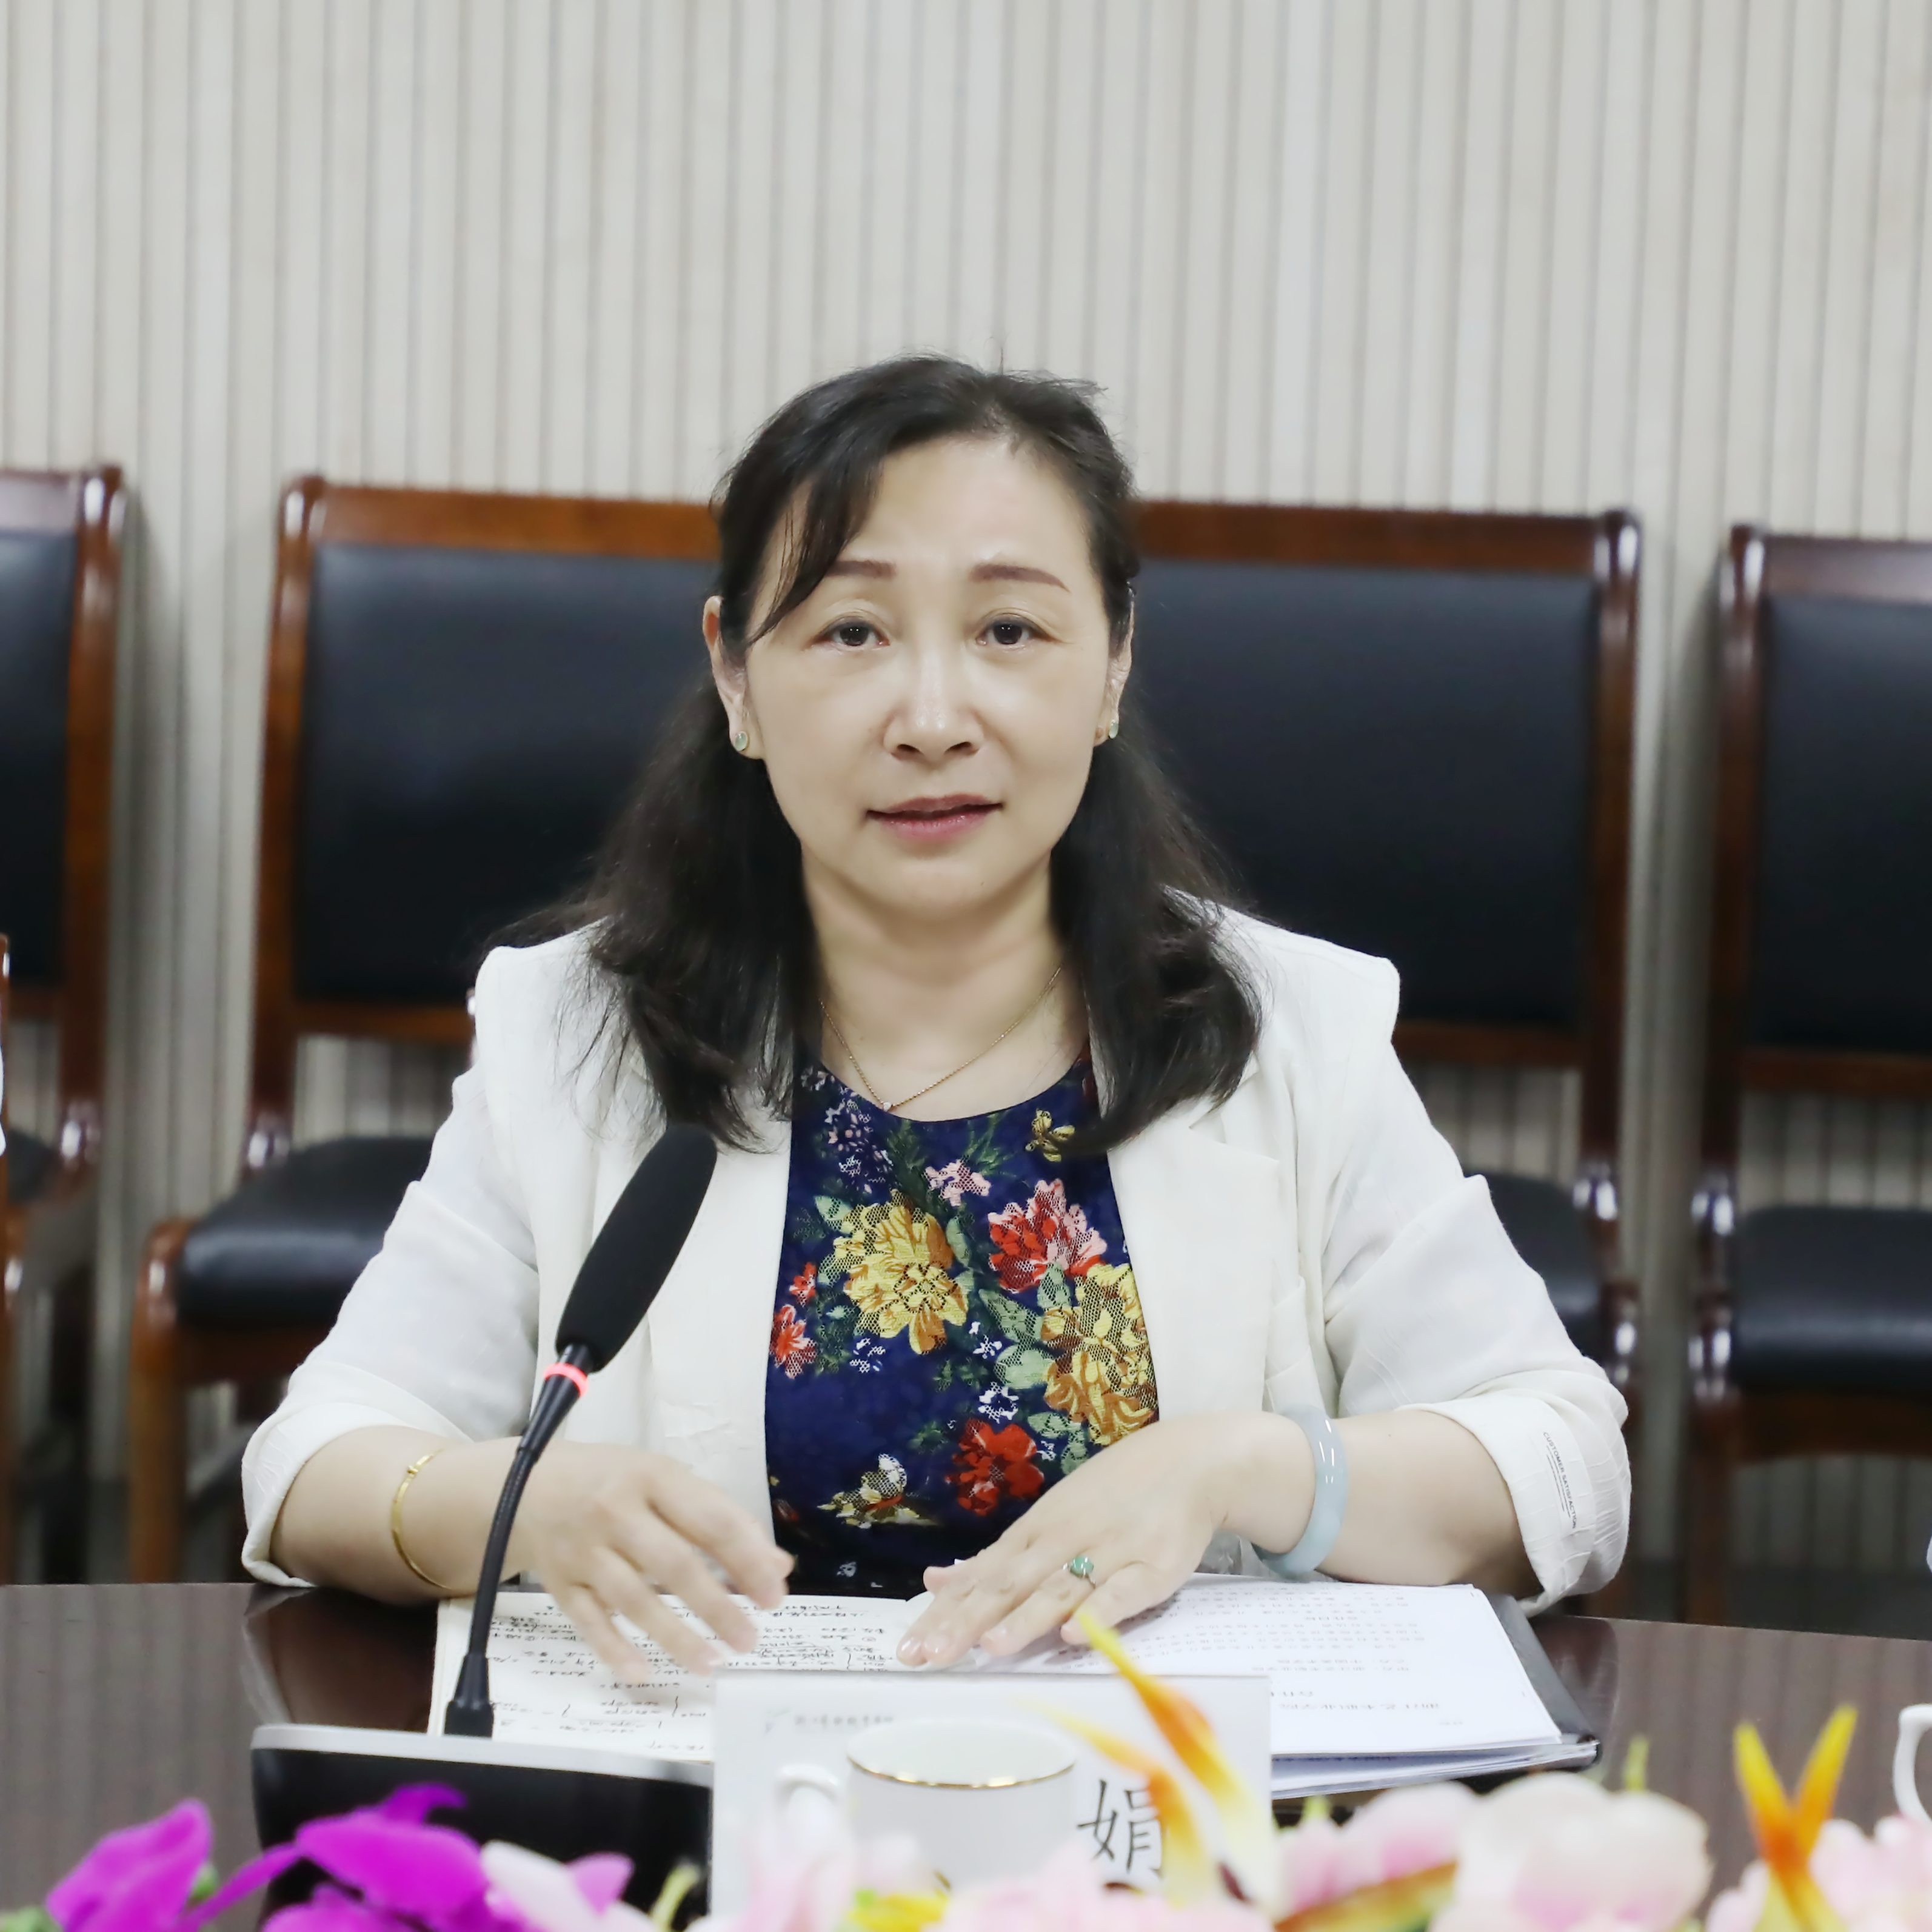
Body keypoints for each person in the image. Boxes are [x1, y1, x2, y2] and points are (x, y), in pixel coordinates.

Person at [243, 355, 1628, 1680]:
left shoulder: (1288, 1030)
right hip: (729, 1801)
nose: (930, 716)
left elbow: (1564, 1468)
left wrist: (1242, 1468)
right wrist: (513, 1503)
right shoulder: (576, 1031)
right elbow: (312, 1464)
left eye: (1008, 631)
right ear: (735, 676)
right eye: (850, 631)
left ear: (1114, 662)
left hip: (1142, 1810)